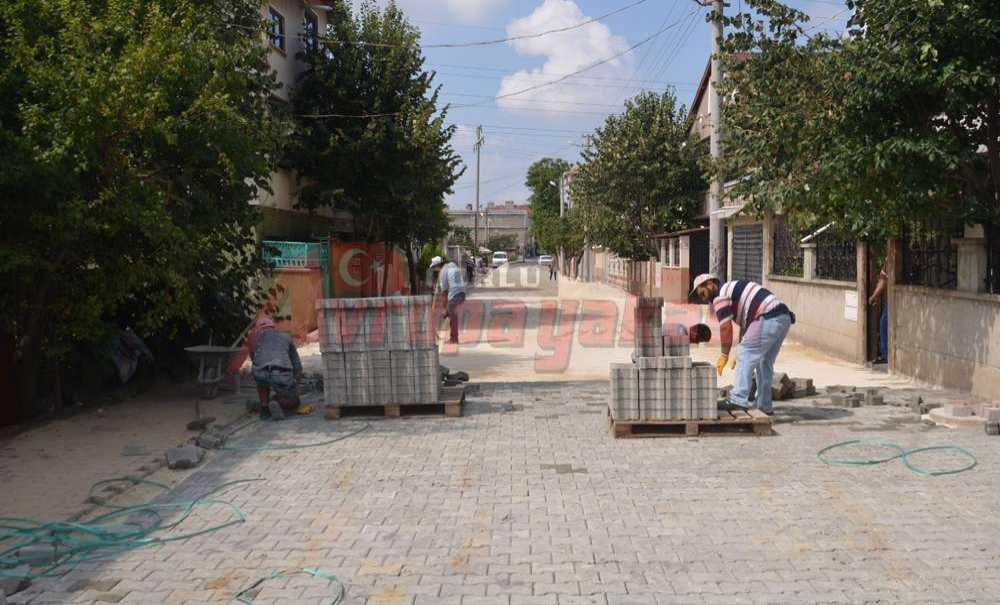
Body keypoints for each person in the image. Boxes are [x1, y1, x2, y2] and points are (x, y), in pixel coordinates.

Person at [691, 274, 795, 415]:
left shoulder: (720, 295)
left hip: (768, 315)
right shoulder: (731, 290)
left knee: (746, 353)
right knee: (764, 362)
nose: (704, 299)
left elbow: (725, 327)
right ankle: (764, 406)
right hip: (782, 317)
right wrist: (741, 347)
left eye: (703, 293)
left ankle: (738, 399)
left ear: (710, 284)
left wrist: (724, 355)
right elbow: (748, 326)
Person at [249, 317, 302, 419]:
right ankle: (281, 403)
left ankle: (264, 408)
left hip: (260, 373)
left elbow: (254, 359)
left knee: (261, 381)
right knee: (294, 402)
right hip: (281, 373)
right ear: (273, 327)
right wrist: (295, 384)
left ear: (258, 328)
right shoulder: (285, 336)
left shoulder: (253, 338)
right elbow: (297, 364)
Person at [431, 255, 466, 344]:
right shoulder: (452, 265)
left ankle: (454, 339)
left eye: (434, 268)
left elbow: (444, 293)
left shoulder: (443, 272)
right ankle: (444, 329)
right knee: (449, 314)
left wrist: (443, 308)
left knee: (452, 316)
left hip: (454, 295)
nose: (434, 270)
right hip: (462, 293)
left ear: (437, 266)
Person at [868, 261, 889, 364]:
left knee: (883, 324)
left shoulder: (889, 260)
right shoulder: (887, 261)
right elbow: (882, 280)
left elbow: (882, 282)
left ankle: (885, 355)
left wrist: (873, 296)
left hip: (892, 301)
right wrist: (876, 295)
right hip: (890, 300)